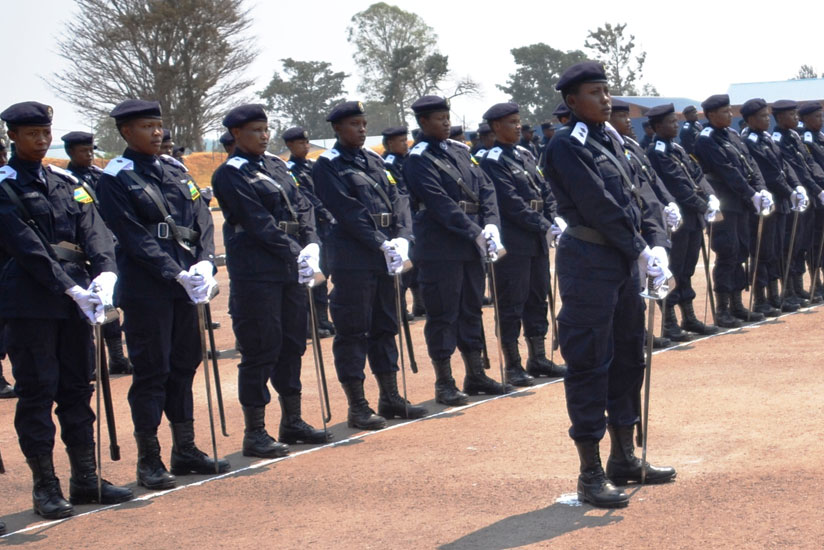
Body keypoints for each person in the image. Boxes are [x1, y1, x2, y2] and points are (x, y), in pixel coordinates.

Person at [545, 62, 676, 509]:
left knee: (628, 358)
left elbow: (645, 196)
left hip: (624, 263)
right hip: (589, 263)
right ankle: (590, 472)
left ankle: (624, 455)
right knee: (588, 364)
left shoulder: (614, 142)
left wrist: (655, 244)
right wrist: (640, 247)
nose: (605, 99)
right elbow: (598, 205)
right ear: (571, 102)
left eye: (606, 91)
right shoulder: (567, 145)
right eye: (595, 92)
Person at [0, 101, 133, 518]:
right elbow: (27, 248)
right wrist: (70, 288)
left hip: (78, 300)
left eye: (45, 132)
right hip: (31, 304)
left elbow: (94, 229)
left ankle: (85, 479)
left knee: (78, 389)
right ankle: (45, 487)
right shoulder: (3, 186)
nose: (41, 140)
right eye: (31, 134)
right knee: (38, 393)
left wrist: (105, 274)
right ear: (13, 138)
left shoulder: (63, 179)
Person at [97, 99, 228, 490]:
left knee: (185, 364)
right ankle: (149, 459)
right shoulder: (115, 178)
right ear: (125, 132)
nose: (156, 133)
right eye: (146, 126)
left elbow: (201, 216)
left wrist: (206, 262)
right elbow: (133, 236)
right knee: (153, 370)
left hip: (187, 282)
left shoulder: (173, 168)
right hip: (147, 288)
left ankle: (184, 449)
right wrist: (174, 273)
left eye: (158, 125)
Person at [212, 105, 329, 455]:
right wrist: (297, 250)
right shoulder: (230, 175)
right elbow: (258, 222)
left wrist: (312, 245)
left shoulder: (277, 166)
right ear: (235, 135)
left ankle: (291, 420)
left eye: (265, 129)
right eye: (254, 131)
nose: (263, 136)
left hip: (289, 268)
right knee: (261, 348)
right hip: (257, 272)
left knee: (293, 343)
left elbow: (303, 206)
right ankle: (255, 431)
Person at [313, 101, 427, 429]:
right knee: (352, 330)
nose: (361, 129)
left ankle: (390, 396)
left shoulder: (375, 160)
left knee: (386, 325)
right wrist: (380, 241)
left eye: (363, 124)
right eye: (354, 125)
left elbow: (400, 197)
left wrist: (403, 237)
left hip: (386, 254)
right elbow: (347, 211)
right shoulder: (328, 165)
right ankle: (358, 405)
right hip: (353, 258)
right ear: (337, 129)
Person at [403, 95, 509, 406]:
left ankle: (475, 373)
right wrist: (476, 231)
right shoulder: (418, 159)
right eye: (439, 118)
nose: (447, 123)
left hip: (470, 243)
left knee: (471, 308)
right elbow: (438, 203)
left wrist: (490, 225)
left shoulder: (461, 152)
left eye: (447, 117)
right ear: (423, 123)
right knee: (443, 314)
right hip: (440, 247)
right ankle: (444, 381)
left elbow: (486, 187)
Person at [479, 102, 566, 384]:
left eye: (518, 121)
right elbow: (510, 203)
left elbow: (546, 191)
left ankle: (538, 357)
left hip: (536, 239)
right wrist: (544, 225)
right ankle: (513, 364)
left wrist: (554, 219)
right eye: (511, 122)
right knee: (511, 302)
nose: (517, 126)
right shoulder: (492, 161)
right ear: (495, 127)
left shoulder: (525, 155)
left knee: (537, 298)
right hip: (514, 240)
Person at [610, 100, 685, 344]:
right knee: (637, 280)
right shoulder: (612, 149)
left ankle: (665, 323)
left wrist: (669, 202)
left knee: (656, 271)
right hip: (632, 222)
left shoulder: (631, 145)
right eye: (620, 116)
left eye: (627, 116)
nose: (628, 120)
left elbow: (652, 181)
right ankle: (641, 331)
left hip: (651, 218)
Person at [694, 94, 771, 327]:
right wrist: (751, 193)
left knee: (741, 251)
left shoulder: (734, 135)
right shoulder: (706, 139)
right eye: (725, 111)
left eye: (730, 110)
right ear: (710, 115)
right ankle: (723, 308)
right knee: (727, 252)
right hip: (724, 203)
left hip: (741, 204)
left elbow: (751, 165)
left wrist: (762, 189)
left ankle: (737, 303)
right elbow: (728, 172)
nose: (730, 114)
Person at [645, 103, 723, 332]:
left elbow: (697, 176)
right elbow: (678, 187)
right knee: (673, 269)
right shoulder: (656, 152)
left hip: (693, 218)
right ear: (658, 126)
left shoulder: (677, 149)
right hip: (675, 220)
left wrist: (711, 197)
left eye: (676, 121)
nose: (676, 125)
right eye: (671, 122)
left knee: (687, 269)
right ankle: (669, 321)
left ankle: (688, 316)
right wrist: (702, 205)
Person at [62, 131, 135, 374]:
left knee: (110, 304)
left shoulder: (101, 176)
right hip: (80, 254)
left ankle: (116, 356)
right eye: (84, 151)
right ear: (71, 153)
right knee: (85, 308)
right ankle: (92, 363)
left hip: (105, 249)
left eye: (92, 150)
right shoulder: (66, 181)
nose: (90, 155)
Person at [738, 98, 801, 314]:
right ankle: (761, 298)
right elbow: (770, 175)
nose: (767, 120)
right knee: (762, 251)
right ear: (750, 119)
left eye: (767, 115)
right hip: (765, 202)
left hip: (780, 201)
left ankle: (776, 294)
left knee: (775, 250)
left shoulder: (766, 138)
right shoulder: (749, 141)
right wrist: (789, 191)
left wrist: (796, 187)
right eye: (763, 116)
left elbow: (784, 166)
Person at [283, 126, 336, 337]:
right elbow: (306, 197)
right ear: (290, 146)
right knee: (310, 275)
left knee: (324, 272)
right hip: (310, 227)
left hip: (325, 227)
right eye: (300, 143)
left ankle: (322, 318)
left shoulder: (314, 166)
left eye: (307, 142)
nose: (305, 146)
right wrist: (326, 213)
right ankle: (309, 321)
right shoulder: (289, 171)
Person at [771, 99, 824, 305]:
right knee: (792, 244)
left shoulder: (795, 136)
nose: (821, 120)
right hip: (795, 197)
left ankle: (798, 286)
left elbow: (811, 165)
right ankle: (790, 289)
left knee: (803, 243)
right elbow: (797, 170)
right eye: (817, 116)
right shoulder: (779, 139)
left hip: (810, 195)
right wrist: (817, 189)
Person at [382, 126, 425, 318]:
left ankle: (419, 305)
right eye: (400, 141)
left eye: (405, 140)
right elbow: (400, 191)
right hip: (401, 220)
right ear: (390, 144)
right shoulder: (389, 164)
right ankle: (399, 308)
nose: (405, 144)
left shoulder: (406, 160)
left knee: (416, 266)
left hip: (414, 215)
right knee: (404, 268)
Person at [799, 101, 824, 300]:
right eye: (817, 116)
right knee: (815, 242)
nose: (821, 120)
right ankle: (816, 282)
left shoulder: (820, 137)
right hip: (816, 197)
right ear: (805, 119)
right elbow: (813, 169)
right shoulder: (806, 140)